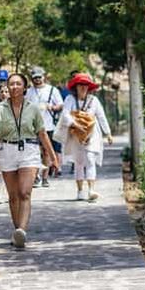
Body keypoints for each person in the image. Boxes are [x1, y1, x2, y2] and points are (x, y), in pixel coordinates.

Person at [0, 73, 59, 248]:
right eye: (11, 84)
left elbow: (42, 134)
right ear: (7, 87)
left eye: (18, 84)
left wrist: (53, 157)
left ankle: (22, 230)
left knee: (24, 193)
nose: (14, 87)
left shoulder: (33, 108)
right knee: (13, 196)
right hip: (7, 150)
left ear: (25, 88)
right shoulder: (0, 109)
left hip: (29, 150)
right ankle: (17, 231)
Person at [55, 73, 113, 201]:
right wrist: (76, 125)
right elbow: (65, 115)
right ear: (75, 87)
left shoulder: (94, 100)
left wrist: (108, 133)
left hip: (92, 134)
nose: (83, 87)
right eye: (80, 85)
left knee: (90, 159)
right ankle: (80, 191)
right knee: (79, 162)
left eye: (86, 85)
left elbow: (101, 116)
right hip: (75, 134)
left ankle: (91, 190)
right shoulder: (69, 99)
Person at [24, 66, 63, 187]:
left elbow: (61, 104)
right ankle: (36, 177)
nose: (37, 80)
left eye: (39, 77)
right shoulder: (29, 91)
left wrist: (52, 107)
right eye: (35, 78)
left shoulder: (52, 90)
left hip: (48, 125)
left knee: (46, 152)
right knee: (35, 152)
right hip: (32, 126)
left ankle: (45, 177)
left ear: (43, 77)